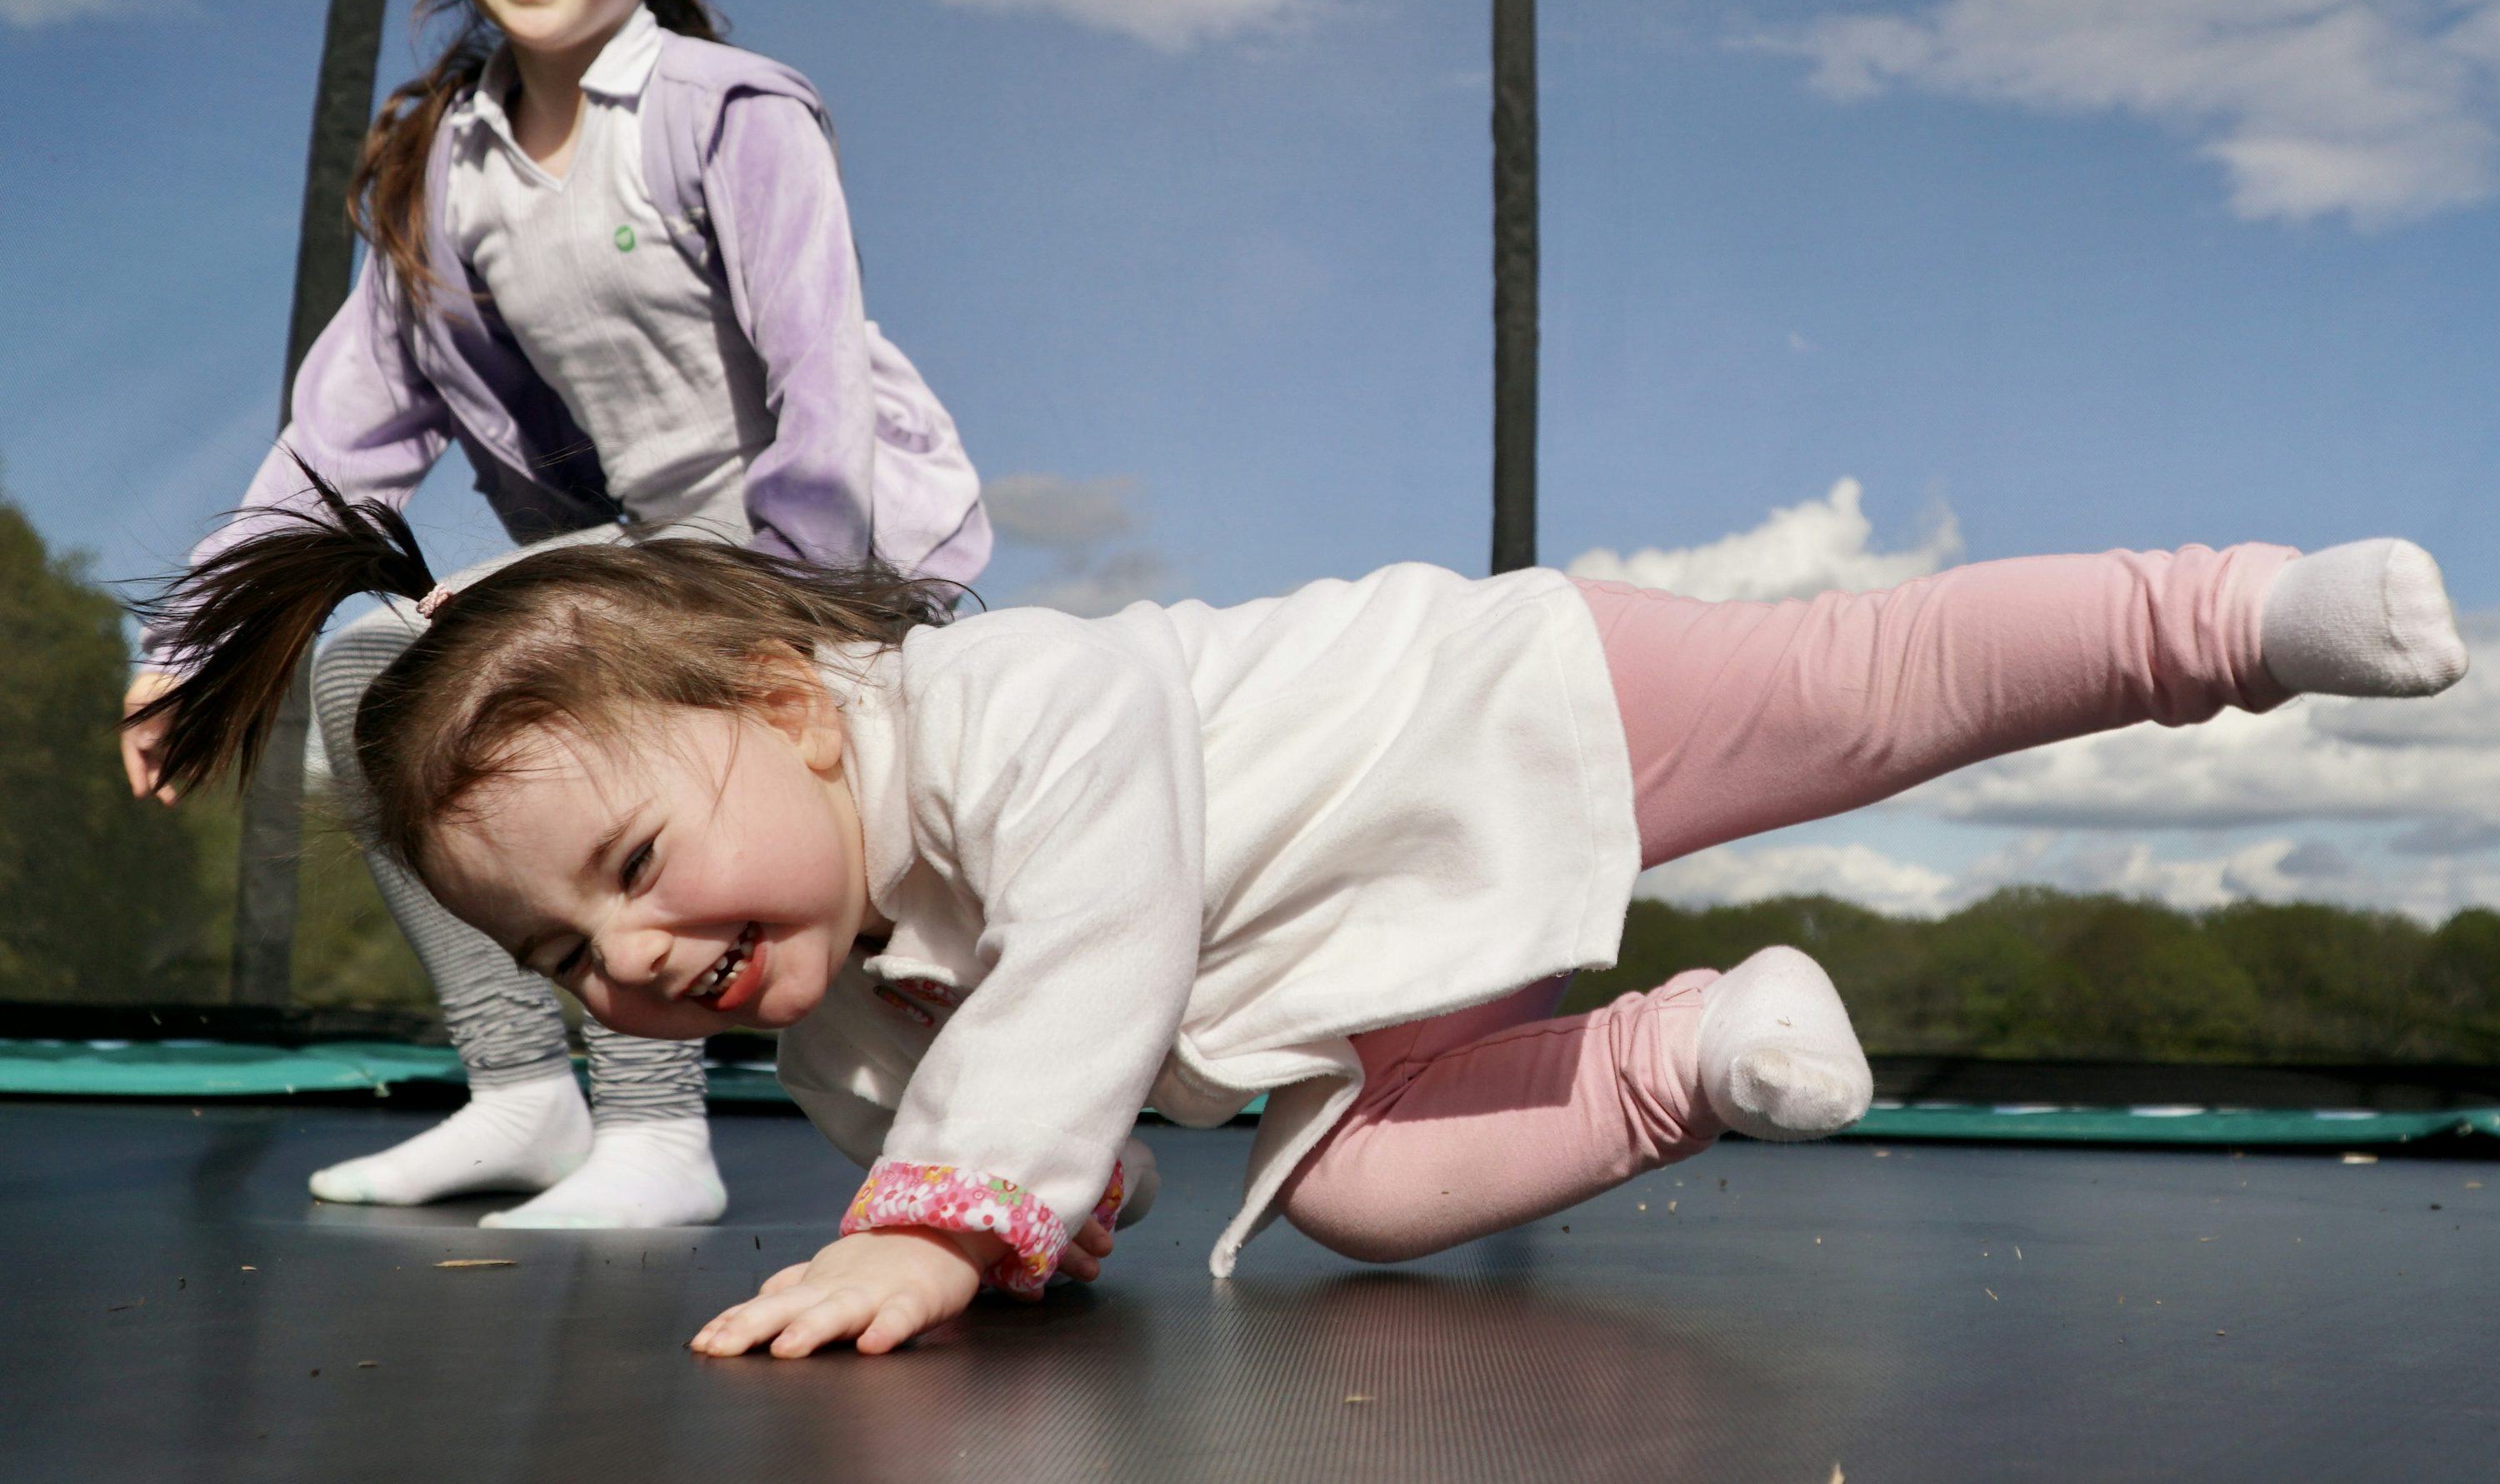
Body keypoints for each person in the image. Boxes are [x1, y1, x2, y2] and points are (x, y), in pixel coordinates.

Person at [132, 479, 2467, 1352]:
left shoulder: (1020, 706)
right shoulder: (829, 1008)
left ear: (793, 701)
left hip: (1491, 717)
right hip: (1361, 1000)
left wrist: (958, 1214)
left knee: (1879, 682)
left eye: (635, 873)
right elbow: (976, 1120)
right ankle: (1705, 1051)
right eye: (561, 958)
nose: (633, 968)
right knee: (1356, 1203)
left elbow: (1100, 940)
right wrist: (1022, 1208)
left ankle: (2231, 612)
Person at [118, 0, 988, 1230]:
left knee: (559, 688)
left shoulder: (727, 111)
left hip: (809, 552)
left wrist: (763, 610)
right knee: (369, 671)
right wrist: (188, 651)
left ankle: (659, 1136)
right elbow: (337, 442)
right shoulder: (440, 173)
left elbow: (820, 392)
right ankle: (523, 1090)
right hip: (634, 555)